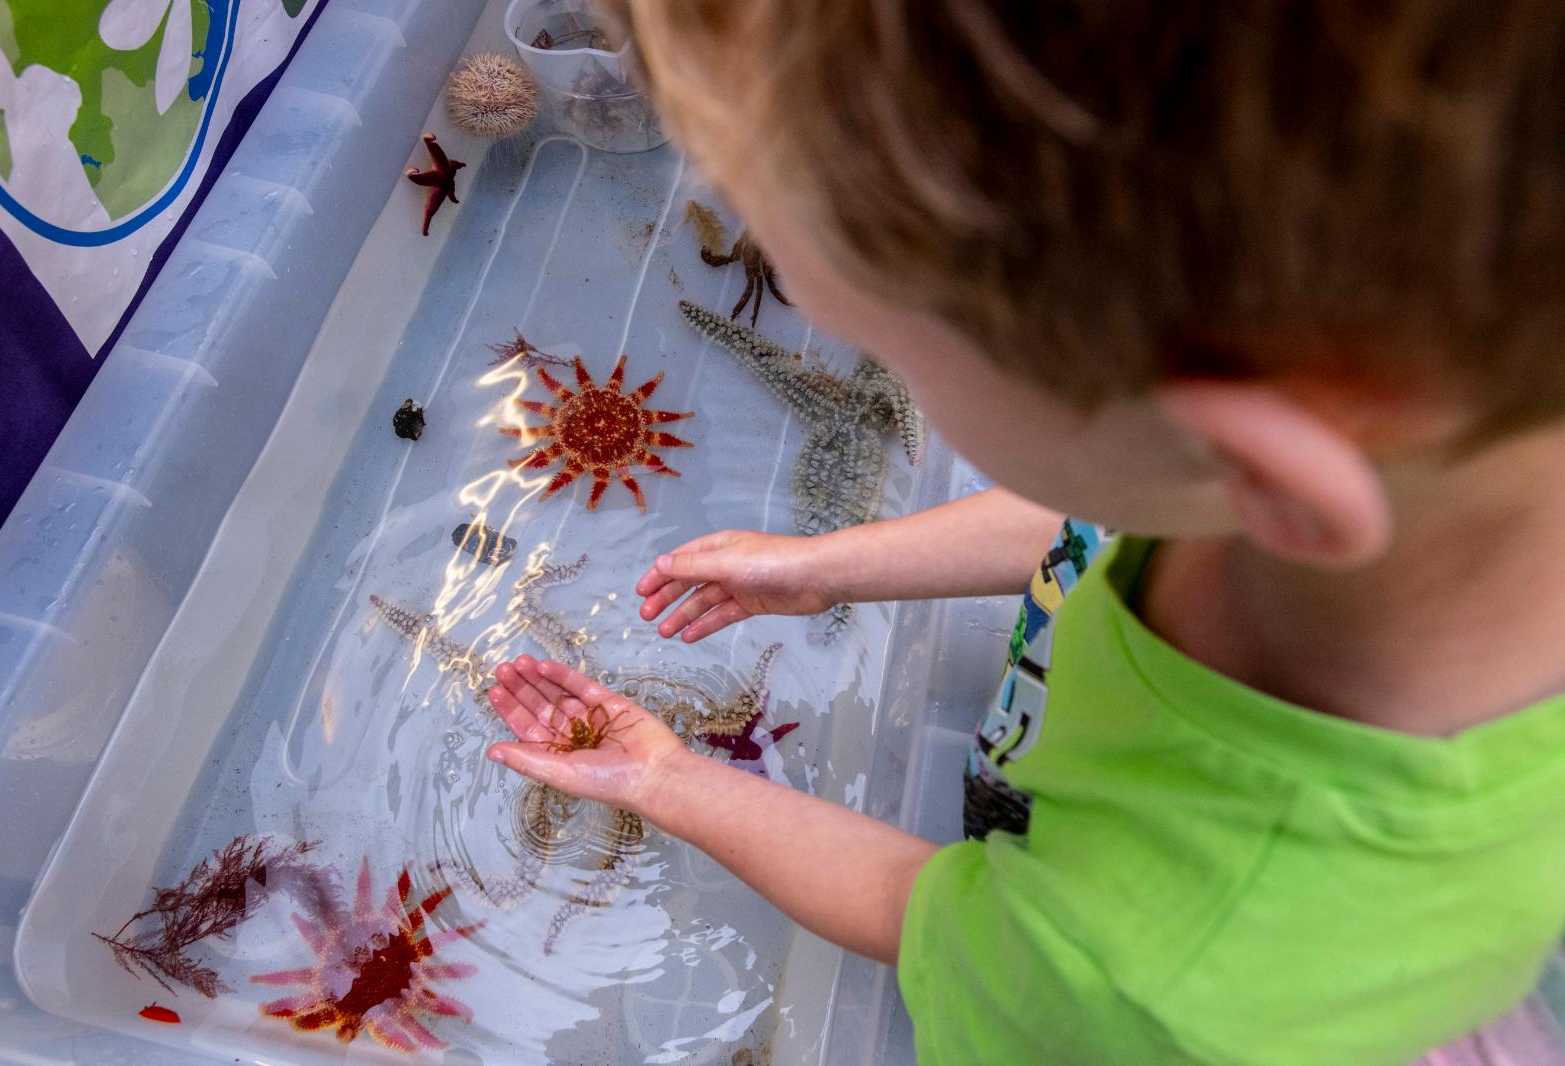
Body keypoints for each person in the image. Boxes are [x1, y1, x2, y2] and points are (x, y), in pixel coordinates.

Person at [486, 3, 1565, 1062]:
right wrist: (824, 568)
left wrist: (664, 780)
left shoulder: (1147, 969)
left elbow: (933, 917)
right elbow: (1097, 511)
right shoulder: (1443, 470)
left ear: (1249, 465)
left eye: (899, 351)